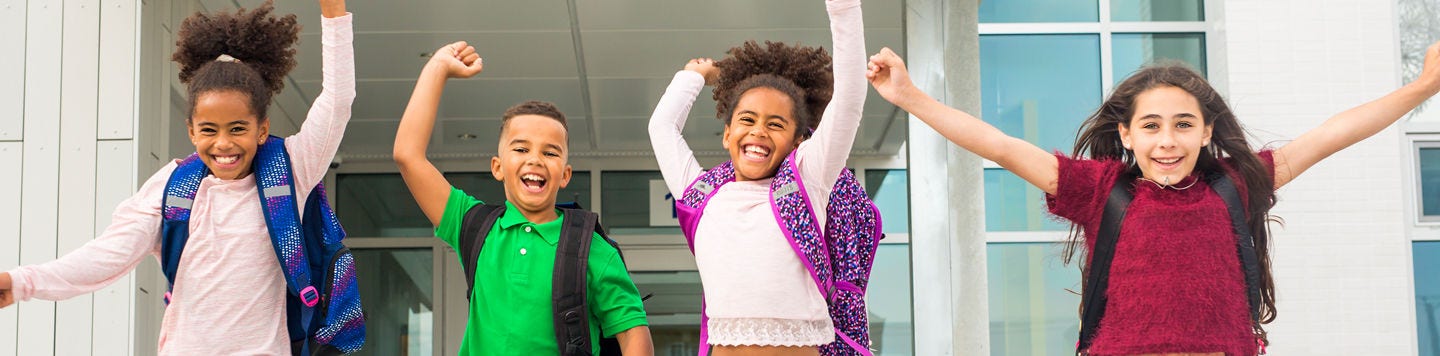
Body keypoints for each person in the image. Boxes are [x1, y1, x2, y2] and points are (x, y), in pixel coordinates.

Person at [863, 40, 1440, 355]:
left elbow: (1332, 135)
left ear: (1207, 132)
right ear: (1128, 135)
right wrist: (910, 96)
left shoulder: (1238, 183)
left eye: (1184, 125)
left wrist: (1421, 87)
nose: (1167, 141)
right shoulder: (1100, 190)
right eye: (1153, 126)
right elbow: (1001, 145)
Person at [0, 0, 356, 354]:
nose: (223, 143)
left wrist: (334, 15)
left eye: (237, 128)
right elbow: (107, 257)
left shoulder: (292, 168)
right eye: (208, 130)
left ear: (262, 130)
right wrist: (21, 282)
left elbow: (338, 102)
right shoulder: (173, 188)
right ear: (191, 132)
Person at [391, 41, 653, 355]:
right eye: (521, 148)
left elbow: (634, 336)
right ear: (497, 167)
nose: (535, 159)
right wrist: (437, 67)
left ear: (565, 174)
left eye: (550, 152)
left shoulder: (591, 249)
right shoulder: (473, 225)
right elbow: (408, 156)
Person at [647, 0, 868, 354]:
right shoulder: (701, 196)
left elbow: (850, 98)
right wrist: (693, 76)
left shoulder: (808, 184)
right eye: (747, 120)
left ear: (798, 141)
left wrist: (844, 8)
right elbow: (662, 127)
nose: (758, 131)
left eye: (775, 124)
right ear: (727, 133)